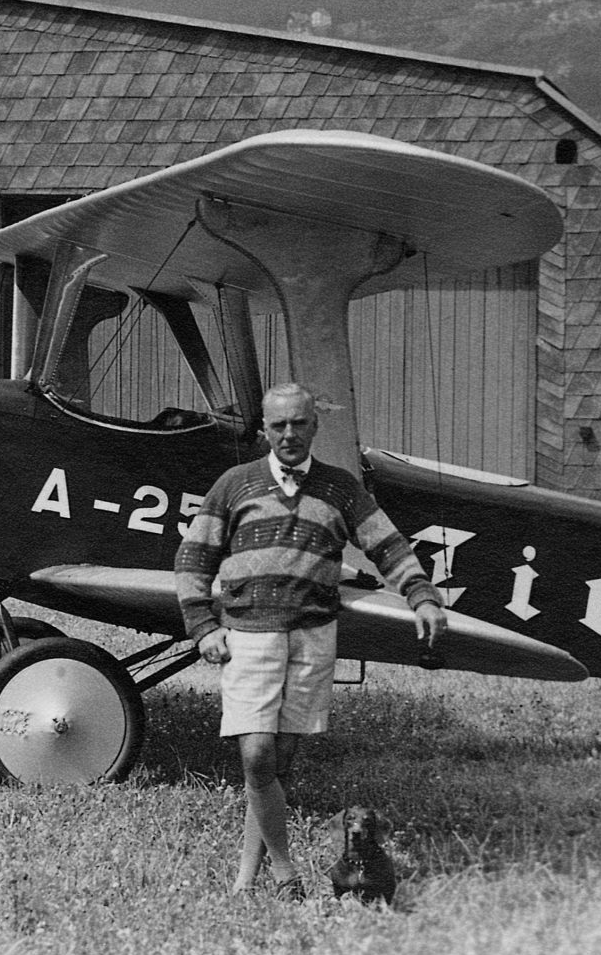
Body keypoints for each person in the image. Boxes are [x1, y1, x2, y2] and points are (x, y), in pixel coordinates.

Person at [174, 382, 448, 898]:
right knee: (257, 756)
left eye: (299, 423)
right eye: (278, 425)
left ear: (315, 426)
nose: (289, 434)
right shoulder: (234, 484)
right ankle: (285, 872)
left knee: (279, 764)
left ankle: (246, 877)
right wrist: (202, 625)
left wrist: (421, 596)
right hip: (249, 635)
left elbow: (387, 545)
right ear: (264, 430)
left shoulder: (340, 488)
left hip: (312, 638)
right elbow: (193, 557)